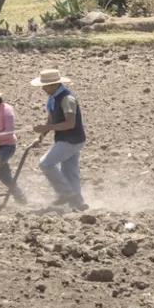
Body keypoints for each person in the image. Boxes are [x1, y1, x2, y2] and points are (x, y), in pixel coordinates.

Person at [30, 68, 87, 210]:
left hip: (71, 139)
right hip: (67, 138)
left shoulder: (67, 99)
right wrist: (40, 137)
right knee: (70, 172)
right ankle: (78, 204)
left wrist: (44, 128)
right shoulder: (53, 99)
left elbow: (70, 123)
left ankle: (66, 194)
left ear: (55, 84)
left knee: (45, 164)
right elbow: (50, 121)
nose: (43, 88)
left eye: (46, 85)